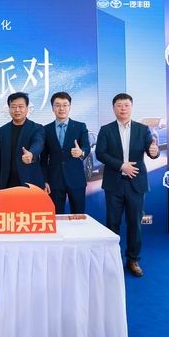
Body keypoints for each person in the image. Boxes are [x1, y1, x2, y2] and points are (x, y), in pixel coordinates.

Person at [95, 93, 159, 277]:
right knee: (112, 223)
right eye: (119, 105)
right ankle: (111, 259)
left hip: (136, 184)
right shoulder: (106, 130)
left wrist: (154, 151)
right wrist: (121, 165)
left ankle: (133, 259)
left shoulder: (142, 129)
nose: (123, 108)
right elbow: (100, 154)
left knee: (135, 224)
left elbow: (152, 151)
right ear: (114, 108)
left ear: (131, 107)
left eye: (126, 105)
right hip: (114, 184)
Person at [41, 92, 91, 215]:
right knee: (56, 216)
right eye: (57, 105)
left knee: (78, 216)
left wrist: (81, 152)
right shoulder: (45, 129)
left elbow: (86, 147)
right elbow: (43, 158)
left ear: (70, 107)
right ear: (53, 108)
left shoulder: (80, 126)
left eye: (65, 105)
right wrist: (45, 180)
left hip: (76, 179)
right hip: (54, 180)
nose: (61, 108)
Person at [0, 92, 45, 189]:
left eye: (21, 106)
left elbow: (38, 143)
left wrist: (31, 154)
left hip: (30, 182)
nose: (17, 110)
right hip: (7, 184)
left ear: (27, 108)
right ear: (9, 108)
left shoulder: (37, 128)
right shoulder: (2, 131)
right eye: (13, 106)